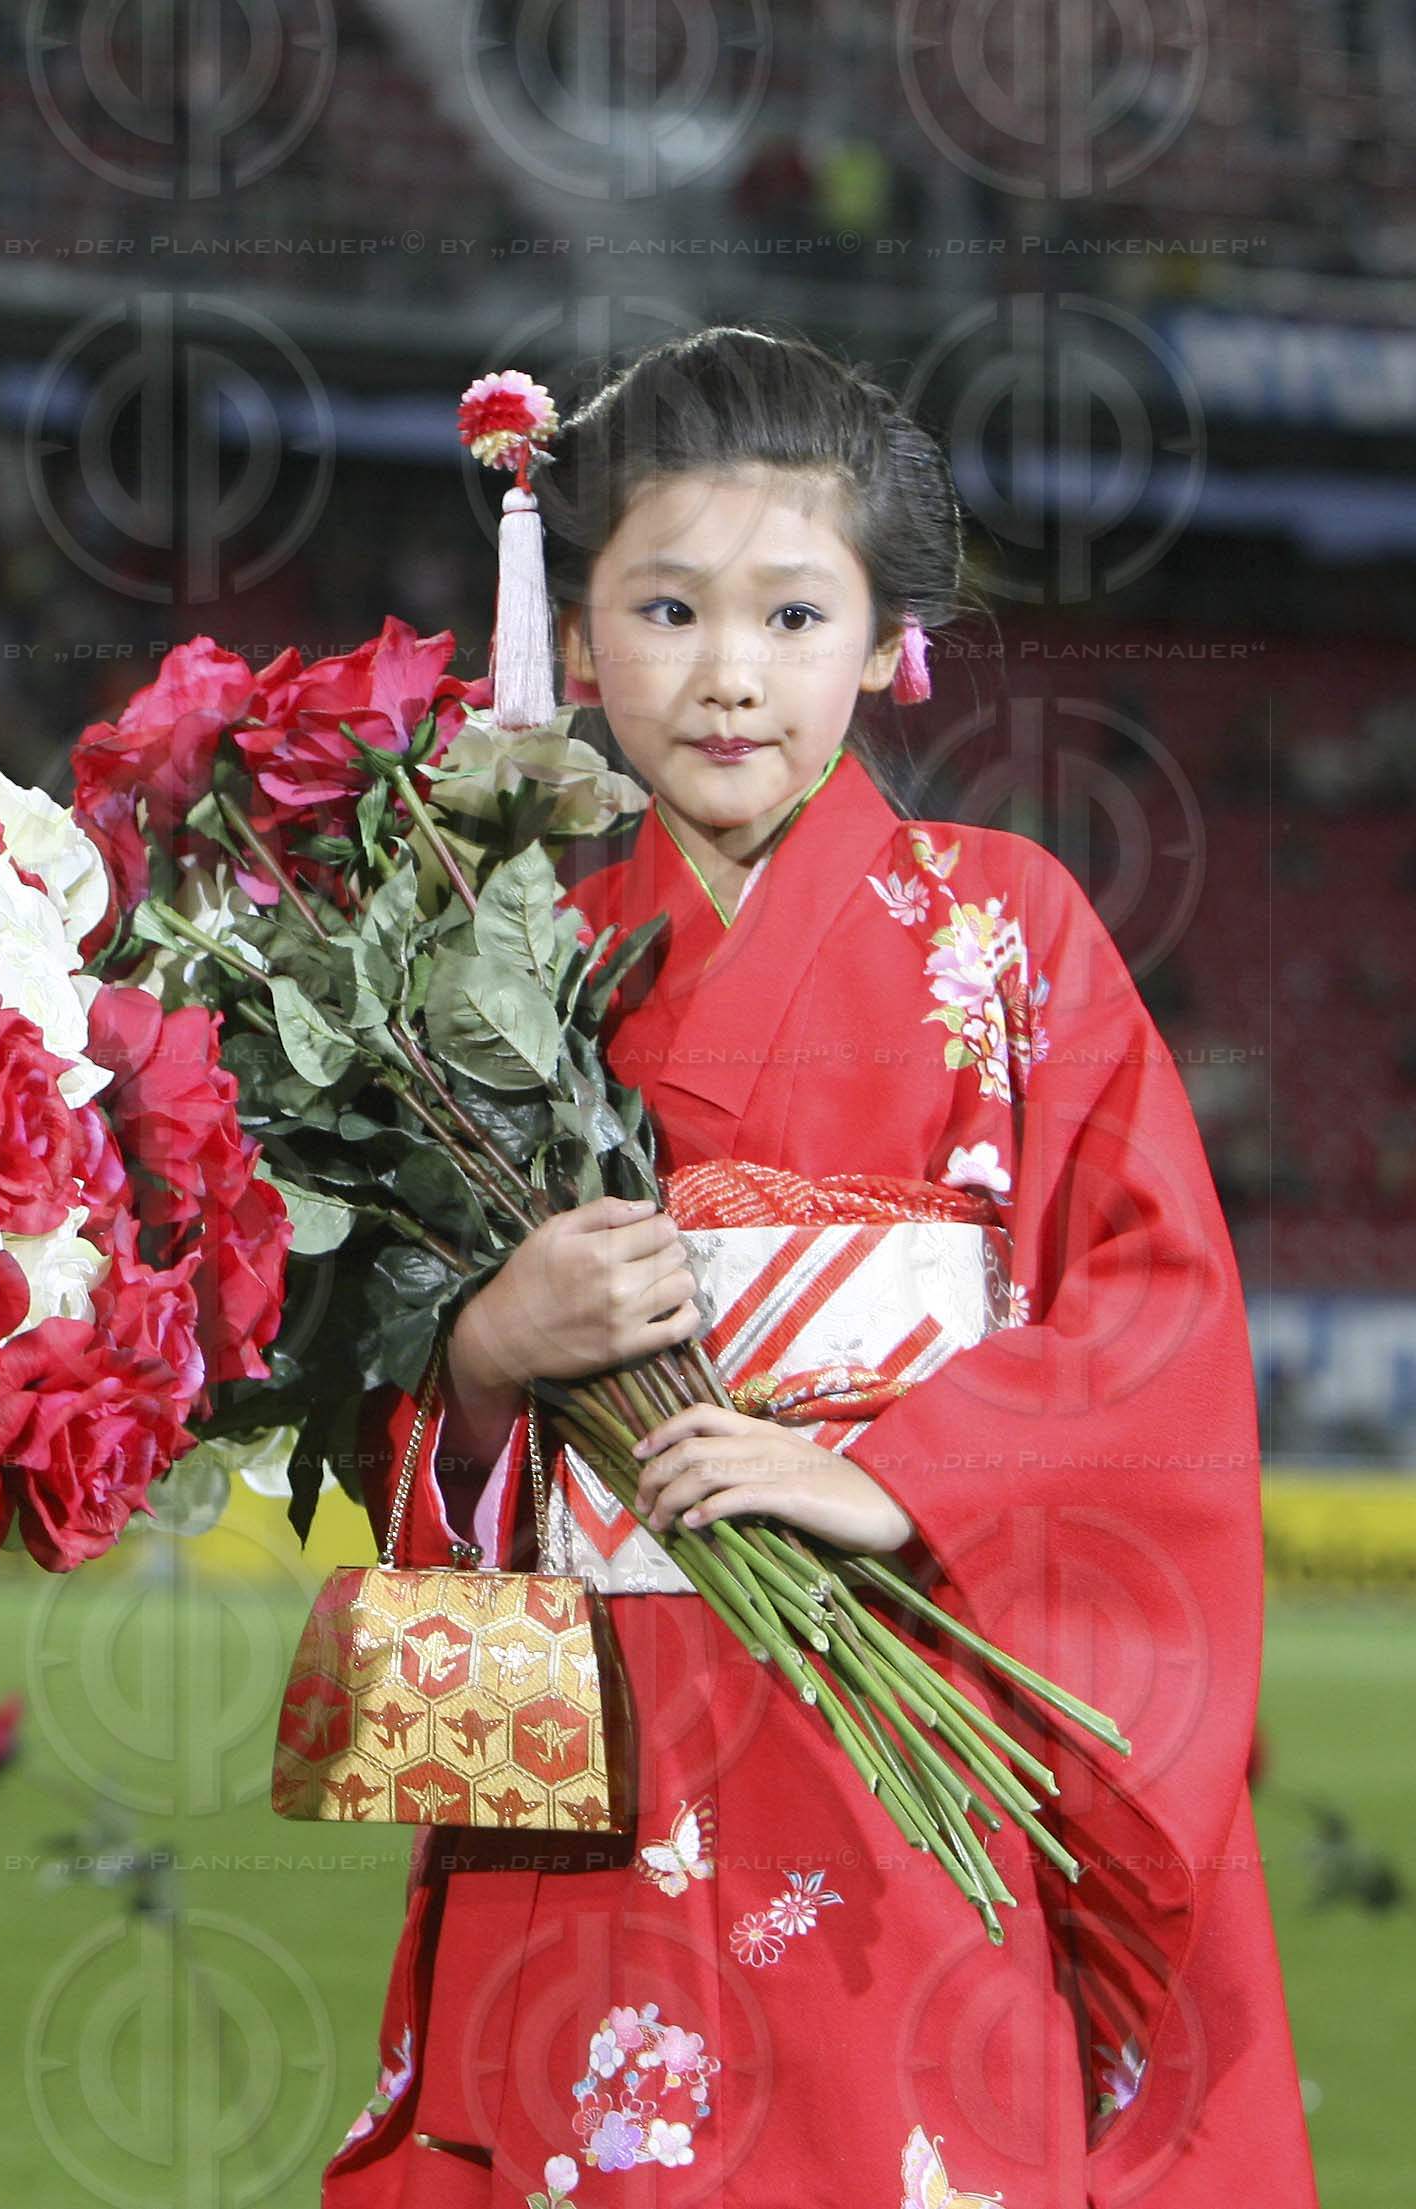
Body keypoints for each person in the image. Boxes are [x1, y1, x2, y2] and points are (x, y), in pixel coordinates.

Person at [322, 327, 1316, 2207]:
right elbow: (397, 1428)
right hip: (597, 1763)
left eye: (793, 616)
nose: (727, 672)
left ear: (885, 644)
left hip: (896, 1729)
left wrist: (896, 1472)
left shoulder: (1006, 932)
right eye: (668, 608)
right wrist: (486, 1355)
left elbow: (1155, 1317)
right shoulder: (490, 967)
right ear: (573, 636)